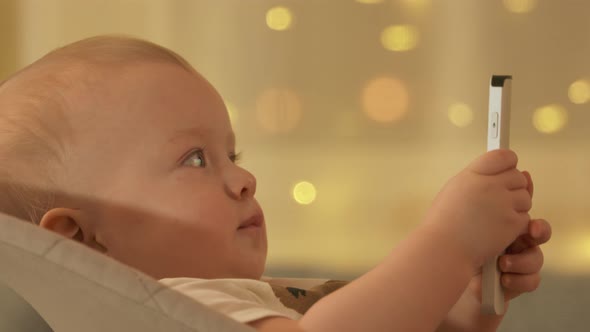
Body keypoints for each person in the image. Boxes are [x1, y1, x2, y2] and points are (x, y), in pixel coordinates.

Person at [0, 35, 551, 332]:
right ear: (82, 238)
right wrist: (449, 243)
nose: (244, 178)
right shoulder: (172, 313)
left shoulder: (248, 299)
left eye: (231, 153)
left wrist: (472, 298)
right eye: (195, 159)